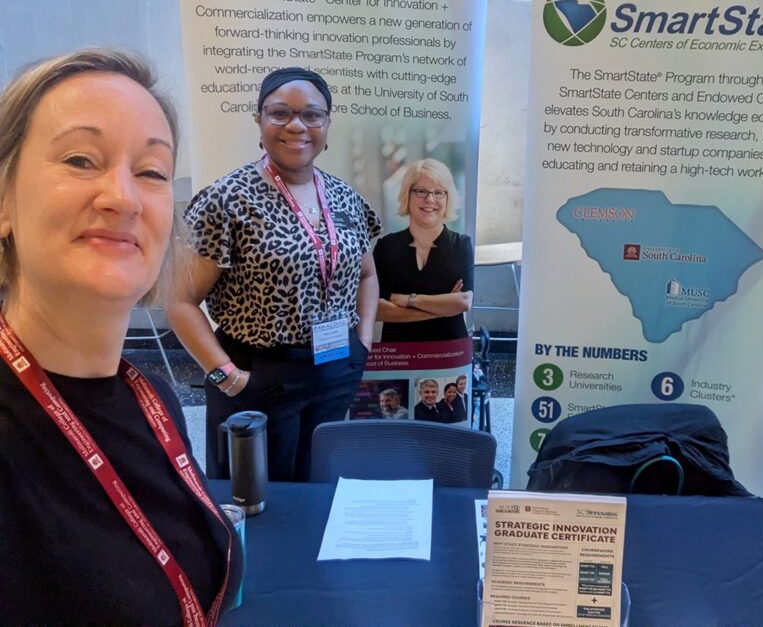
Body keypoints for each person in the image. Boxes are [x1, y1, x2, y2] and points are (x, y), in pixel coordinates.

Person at [0, 48, 242, 624]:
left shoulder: (153, 399)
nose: (123, 197)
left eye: (152, 171)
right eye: (81, 159)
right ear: (4, 200)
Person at [166, 67, 381, 482]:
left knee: (320, 484)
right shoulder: (227, 199)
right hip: (258, 375)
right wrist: (228, 378)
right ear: (260, 121)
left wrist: (363, 343)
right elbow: (179, 301)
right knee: (258, 497)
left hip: (334, 366)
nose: (296, 125)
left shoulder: (342, 195)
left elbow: (367, 275)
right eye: (280, 113)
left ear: (327, 124)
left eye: (312, 115)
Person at [373, 158, 473, 341]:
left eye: (439, 192)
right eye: (421, 191)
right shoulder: (386, 247)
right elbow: (376, 309)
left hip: (450, 357)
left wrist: (409, 300)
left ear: (448, 198)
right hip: (398, 357)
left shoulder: (461, 245)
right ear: (407, 195)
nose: (430, 199)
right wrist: (440, 309)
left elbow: (463, 302)